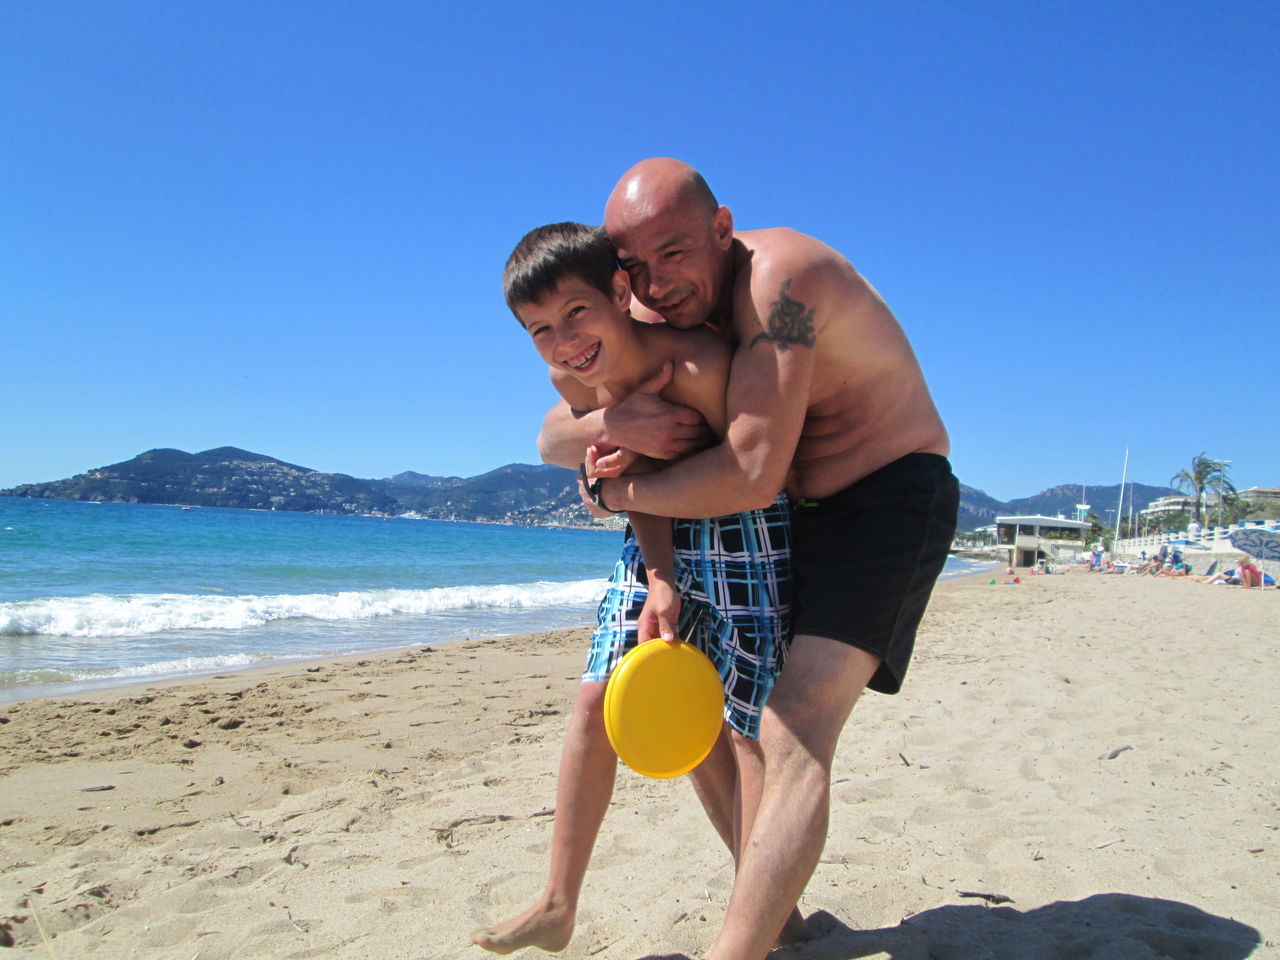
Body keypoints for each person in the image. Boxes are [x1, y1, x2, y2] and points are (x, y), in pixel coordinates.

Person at [539, 159, 958, 959]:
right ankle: (780, 924)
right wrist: (614, 427)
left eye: (674, 252)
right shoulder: (650, 305)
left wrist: (617, 492)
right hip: (789, 516)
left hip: (887, 500)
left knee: (793, 723)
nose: (654, 284)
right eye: (632, 267)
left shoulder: (783, 286)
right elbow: (555, 429)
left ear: (722, 228)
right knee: (700, 704)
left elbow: (753, 465)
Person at [470, 222, 795, 954]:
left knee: (744, 728)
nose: (563, 341)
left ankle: (760, 919)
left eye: (576, 313)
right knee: (598, 696)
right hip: (652, 529)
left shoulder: (702, 363)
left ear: (620, 292)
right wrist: (659, 578)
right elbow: (629, 484)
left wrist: (640, 475)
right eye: (539, 330)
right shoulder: (575, 380)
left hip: (744, 528)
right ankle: (556, 903)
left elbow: (750, 469)